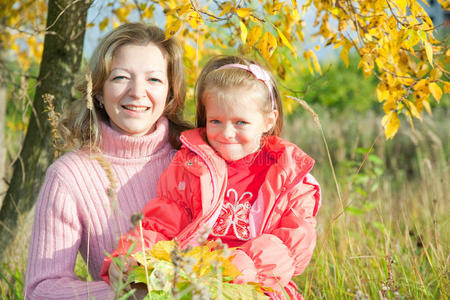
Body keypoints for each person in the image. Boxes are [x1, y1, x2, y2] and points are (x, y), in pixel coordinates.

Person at [101, 55, 321, 299]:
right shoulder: (191, 166)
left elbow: (292, 244)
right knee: (139, 290)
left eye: (241, 122)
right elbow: (161, 225)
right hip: (194, 280)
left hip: (260, 285)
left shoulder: (288, 176)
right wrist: (132, 253)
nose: (226, 133)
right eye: (215, 121)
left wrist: (239, 266)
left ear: (268, 121)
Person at [25, 23, 192, 299]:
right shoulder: (69, 177)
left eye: (154, 80)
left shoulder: (197, 160)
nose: (138, 92)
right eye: (121, 77)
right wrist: (124, 294)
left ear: (170, 93)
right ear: (99, 91)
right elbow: (42, 289)